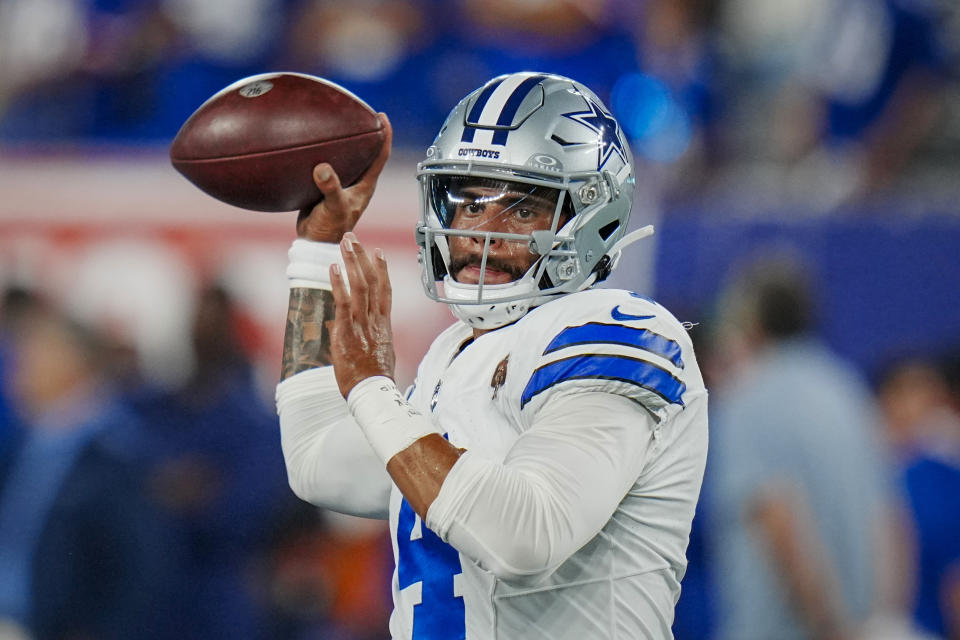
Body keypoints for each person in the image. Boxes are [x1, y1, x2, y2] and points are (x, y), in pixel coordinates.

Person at [276, 72, 708, 639]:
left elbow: (526, 536)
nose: (483, 232)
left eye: (523, 209)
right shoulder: (453, 354)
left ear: (591, 216)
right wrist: (316, 253)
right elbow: (317, 463)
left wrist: (372, 390)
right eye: (470, 202)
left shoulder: (619, 330)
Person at [706, 257, 912, 640]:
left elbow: (777, 518)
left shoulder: (747, 399)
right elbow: (890, 517)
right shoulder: (846, 389)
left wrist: (828, 625)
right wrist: (885, 621)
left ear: (750, 319)